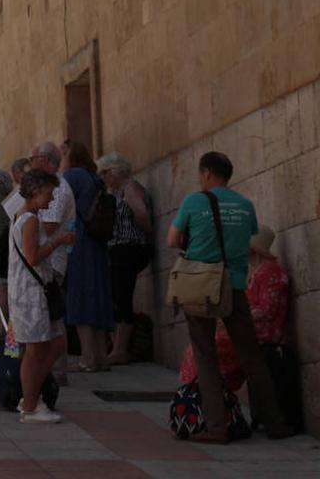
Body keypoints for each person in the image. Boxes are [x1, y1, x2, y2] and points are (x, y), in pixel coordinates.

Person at [167, 151, 292, 442]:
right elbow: (247, 237)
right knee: (251, 356)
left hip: (202, 287)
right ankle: (275, 423)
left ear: (207, 173)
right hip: (235, 286)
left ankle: (216, 427)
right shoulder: (245, 205)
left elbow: (172, 240)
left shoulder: (194, 201)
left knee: (205, 356)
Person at [179, 225, 289, 390]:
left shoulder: (270, 272)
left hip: (260, 332)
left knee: (203, 350)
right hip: (249, 328)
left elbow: (267, 311)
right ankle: (204, 393)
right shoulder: (258, 272)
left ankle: (203, 392)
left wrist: (236, 318)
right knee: (199, 349)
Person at [9, 169, 76, 423]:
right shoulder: (30, 220)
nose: (50, 200)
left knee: (54, 343)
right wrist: (59, 241)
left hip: (34, 290)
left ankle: (31, 395)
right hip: (31, 292)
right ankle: (30, 403)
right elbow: (33, 257)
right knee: (35, 350)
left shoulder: (25, 216)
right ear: (36, 192)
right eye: (48, 194)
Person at [96, 151, 153, 365]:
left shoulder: (130, 188)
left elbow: (141, 213)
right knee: (117, 297)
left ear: (113, 172)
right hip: (121, 249)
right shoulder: (119, 191)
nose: (102, 178)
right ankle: (117, 347)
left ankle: (120, 350)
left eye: (103, 173)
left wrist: (147, 235)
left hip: (128, 249)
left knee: (123, 297)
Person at [62, 141, 113, 371]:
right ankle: (101, 357)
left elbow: (59, 202)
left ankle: (87, 357)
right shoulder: (94, 177)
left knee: (81, 296)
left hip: (80, 242)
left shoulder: (72, 175)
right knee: (99, 296)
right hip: (97, 244)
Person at [29, 141, 75, 383]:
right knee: (49, 317)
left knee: (52, 318)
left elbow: (50, 225)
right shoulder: (50, 186)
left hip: (50, 261)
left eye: (32, 159)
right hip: (45, 260)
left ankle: (54, 372)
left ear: (45, 161)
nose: (30, 165)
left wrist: (25, 221)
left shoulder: (57, 189)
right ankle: (50, 370)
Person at [0, 156, 31, 315]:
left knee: (2, 289)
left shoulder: (22, 192)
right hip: (11, 242)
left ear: (20, 172)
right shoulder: (1, 176)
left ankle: (6, 331)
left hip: (11, 244)